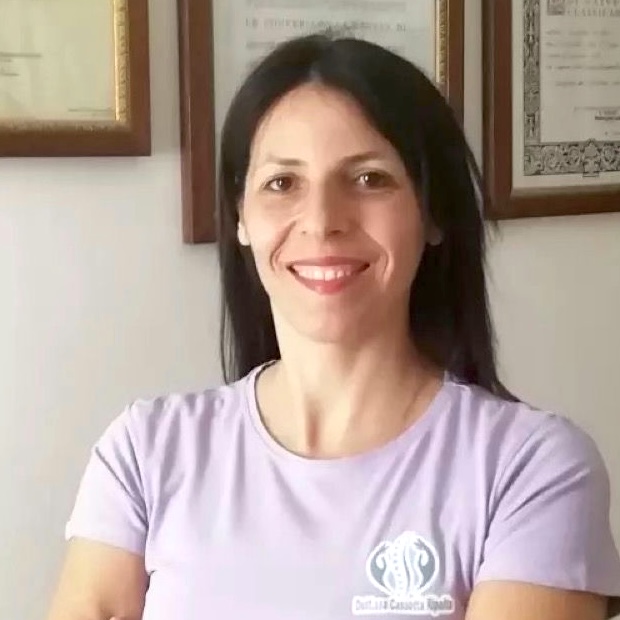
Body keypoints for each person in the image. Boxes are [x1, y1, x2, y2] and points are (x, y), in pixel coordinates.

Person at [46, 34, 620, 620]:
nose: (322, 222)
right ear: (240, 216)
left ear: (433, 213)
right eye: (282, 183)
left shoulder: (533, 469)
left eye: (369, 179)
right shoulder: (144, 452)